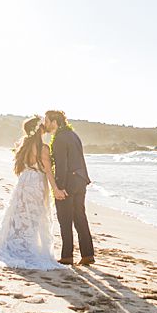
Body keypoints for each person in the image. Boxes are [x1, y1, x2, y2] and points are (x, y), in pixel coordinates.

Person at [0, 116, 65, 270]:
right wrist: (56, 189)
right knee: (33, 217)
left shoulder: (25, 145)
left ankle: (14, 244)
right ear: (39, 128)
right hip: (36, 183)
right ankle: (26, 248)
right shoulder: (43, 148)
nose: (46, 126)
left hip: (24, 181)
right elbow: (48, 172)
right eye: (43, 124)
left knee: (19, 215)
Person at [43, 109, 94, 265]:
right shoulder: (74, 136)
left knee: (65, 219)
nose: (45, 124)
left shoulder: (59, 138)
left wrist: (59, 187)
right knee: (80, 217)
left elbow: (62, 165)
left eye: (47, 121)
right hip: (81, 180)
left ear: (54, 122)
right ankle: (88, 255)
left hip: (68, 183)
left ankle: (67, 256)